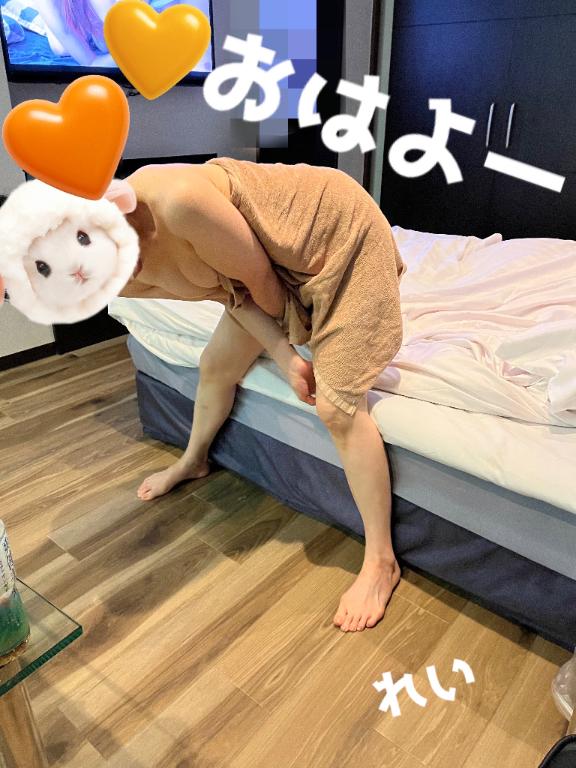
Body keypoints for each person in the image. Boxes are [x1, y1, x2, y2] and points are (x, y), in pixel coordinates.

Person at [111, 156, 407, 634]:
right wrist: (285, 356)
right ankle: (194, 460)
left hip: (339, 236)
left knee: (337, 408)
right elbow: (231, 293)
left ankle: (382, 561)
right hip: (270, 269)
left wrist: (299, 345)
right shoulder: (112, 280)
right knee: (216, 365)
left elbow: (263, 284)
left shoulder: (180, 201)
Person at [31, 0, 117, 66]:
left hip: (88, 10)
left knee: (104, 45)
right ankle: (48, 23)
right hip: (64, 10)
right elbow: (90, 62)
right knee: (61, 49)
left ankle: (91, 21)